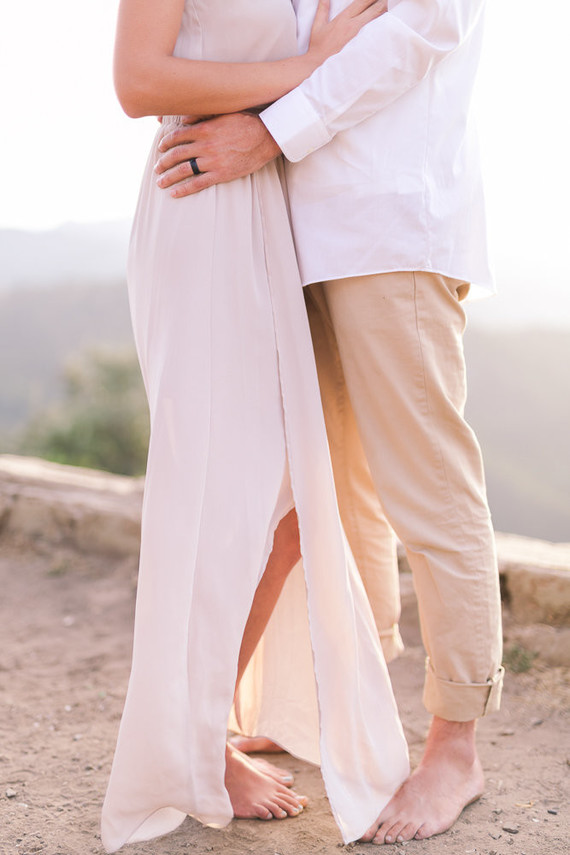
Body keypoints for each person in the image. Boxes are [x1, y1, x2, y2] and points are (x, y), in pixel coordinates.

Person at [154, 0, 505, 845]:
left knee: (428, 488)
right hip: (288, 228)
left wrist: (270, 132)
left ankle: (455, 748)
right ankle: (352, 703)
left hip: (390, 222)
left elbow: (419, 31)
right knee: (326, 493)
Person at [100, 1, 410, 852]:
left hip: (265, 211)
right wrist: (314, 65)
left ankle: (205, 730)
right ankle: (197, 746)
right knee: (228, 501)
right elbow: (138, 80)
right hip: (201, 204)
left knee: (285, 507)